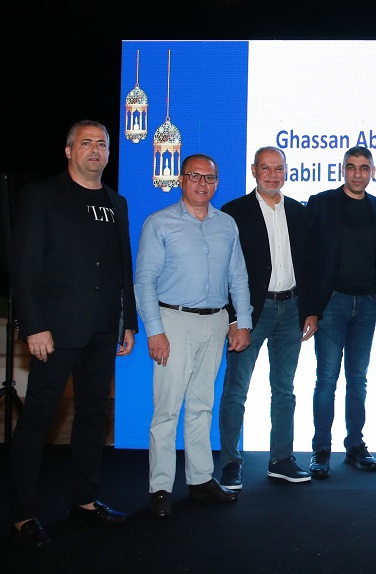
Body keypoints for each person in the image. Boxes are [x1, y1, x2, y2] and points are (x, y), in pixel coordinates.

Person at [9, 120, 138, 550]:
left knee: (91, 417)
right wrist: (34, 325)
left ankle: (83, 501)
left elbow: (124, 268)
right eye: (86, 143)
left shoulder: (115, 202)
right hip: (55, 331)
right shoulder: (42, 195)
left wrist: (129, 322)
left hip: (103, 329)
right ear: (69, 151)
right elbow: (25, 267)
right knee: (38, 420)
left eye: (102, 144)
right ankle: (23, 514)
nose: (96, 150)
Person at [135, 153, 252, 518]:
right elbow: (144, 281)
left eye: (210, 178)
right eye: (195, 176)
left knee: (202, 406)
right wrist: (154, 331)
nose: (203, 184)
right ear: (182, 180)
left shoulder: (227, 224)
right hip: (173, 322)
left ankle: (200, 480)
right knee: (167, 409)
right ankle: (160, 488)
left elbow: (238, 277)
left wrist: (242, 321)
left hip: (216, 323)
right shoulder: (160, 222)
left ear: (217, 182)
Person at [217, 146, 320, 489]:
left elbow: (308, 265)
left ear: (286, 171)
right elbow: (223, 270)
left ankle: (281, 459)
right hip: (249, 313)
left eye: (279, 168)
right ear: (253, 170)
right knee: (236, 390)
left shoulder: (299, 212)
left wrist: (310, 310)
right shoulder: (234, 212)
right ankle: (230, 462)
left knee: (285, 389)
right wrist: (233, 318)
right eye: (266, 168)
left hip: (291, 309)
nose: (273, 174)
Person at [306, 146, 376, 478]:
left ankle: (355, 445)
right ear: (343, 170)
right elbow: (309, 257)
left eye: (364, 168)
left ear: (373, 171)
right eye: (352, 167)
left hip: (367, 304)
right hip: (332, 304)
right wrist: (310, 307)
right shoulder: (322, 203)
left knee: (358, 380)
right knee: (326, 379)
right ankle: (321, 450)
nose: (358, 173)